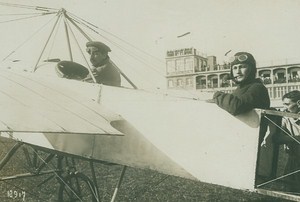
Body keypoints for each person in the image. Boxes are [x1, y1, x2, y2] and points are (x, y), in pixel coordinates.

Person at [278, 90, 300, 192]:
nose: (284, 108)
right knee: (290, 190)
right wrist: (296, 138)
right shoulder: (286, 118)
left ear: (298, 103)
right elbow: (277, 138)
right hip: (293, 159)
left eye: (287, 104)